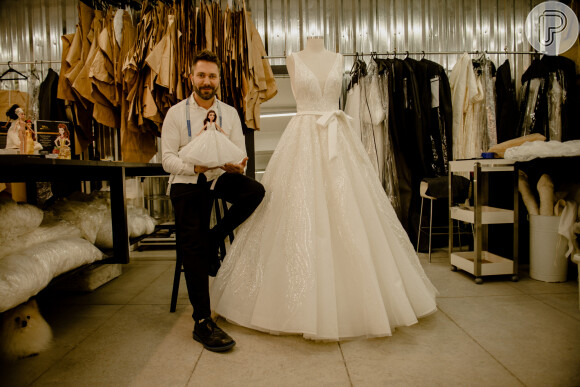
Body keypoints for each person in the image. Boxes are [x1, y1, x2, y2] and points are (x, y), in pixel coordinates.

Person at [210, 37, 438, 340]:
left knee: (351, 210)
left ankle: (360, 300)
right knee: (299, 212)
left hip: (338, 136)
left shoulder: (338, 56)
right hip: (302, 137)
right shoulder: (293, 57)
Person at [161, 50, 265, 352]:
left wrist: (234, 165)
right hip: (187, 180)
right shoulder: (176, 113)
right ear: (191, 77)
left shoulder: (230, 113)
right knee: (191, 244)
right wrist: (194, 166)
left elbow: (239, 156)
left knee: (255, 192)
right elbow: (167, 159)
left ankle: (213, 238)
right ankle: (202, 321)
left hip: (219, 177)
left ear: (219, 79)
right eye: (201, 75)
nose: (206, 81)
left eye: (212, 76)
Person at [178, 109, 245, 182]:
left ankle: (214, 163)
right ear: (208, 116)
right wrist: (198, 134)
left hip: (215, 135)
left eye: (213, 115)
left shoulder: (215, 123)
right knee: (205, 148)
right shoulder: (207, 123)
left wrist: (225, 133)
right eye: (210, 115)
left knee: (215, 148)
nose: (212, 116)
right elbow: (203, 129)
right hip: (207, 135)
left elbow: (220, 129)